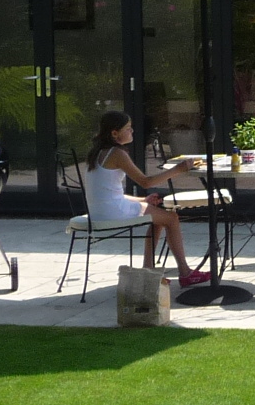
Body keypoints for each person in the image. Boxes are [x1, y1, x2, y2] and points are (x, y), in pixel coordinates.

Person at [81, 111, 210, 286]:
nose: (132, 131)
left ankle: (148, 271)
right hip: (112, 212)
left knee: (158, 218)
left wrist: (143, 201)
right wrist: (179, 169)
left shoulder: (97, 153)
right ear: (114, 133)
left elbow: (110, 193)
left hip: (99, 211)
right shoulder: (117, 154)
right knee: (172, 218)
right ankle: (185, 273)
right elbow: (146, 181)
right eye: (128, 128)